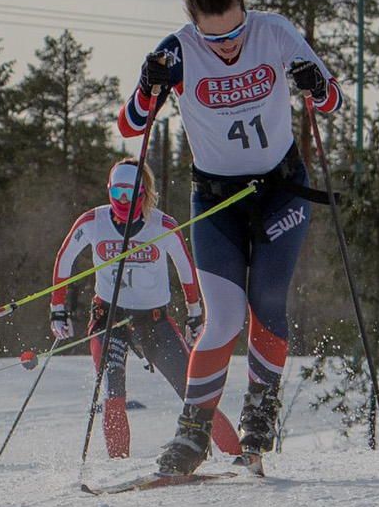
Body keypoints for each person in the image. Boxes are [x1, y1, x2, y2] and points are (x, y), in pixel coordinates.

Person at [117, 0, 341, 475]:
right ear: (194, 23)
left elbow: (332, 99)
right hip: (216, 199)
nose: (227, 46)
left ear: (246, 12)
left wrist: (315, 84)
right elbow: (130, 126)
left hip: (279, 192)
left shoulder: (274, 31)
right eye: (213, 38)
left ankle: (259, 416)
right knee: (221, 320)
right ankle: (191, 436)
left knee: (266, 301)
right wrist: (150, 87)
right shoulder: (177, 50)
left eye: (236, 33)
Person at [50, 158, 238, 459]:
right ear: (109, 190)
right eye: (117, 193)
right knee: (113, 392)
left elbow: (186, 269)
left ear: (144, 193)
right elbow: (65, 258)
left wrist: (195, 313)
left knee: (195, 392)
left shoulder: (162, 225)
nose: (122, 202)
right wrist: (57, 307)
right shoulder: (92, 222)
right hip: (108, 319)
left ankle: (237, 456)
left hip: (154, 321)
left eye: (131, 194)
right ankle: (119, 465)